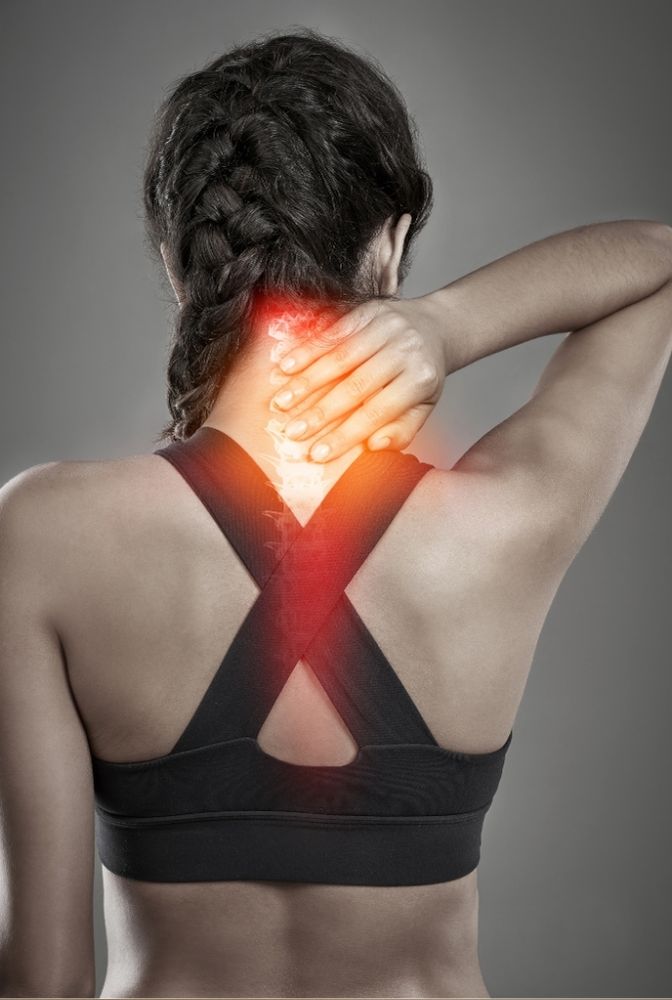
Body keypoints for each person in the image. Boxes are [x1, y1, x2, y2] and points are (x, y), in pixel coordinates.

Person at [1, 26, 671, 1000]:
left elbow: (41, 984)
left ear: (178, 263)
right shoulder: (501, 524)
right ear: (390, 246)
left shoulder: (44, 536)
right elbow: (659, 262)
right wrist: (451, 323)